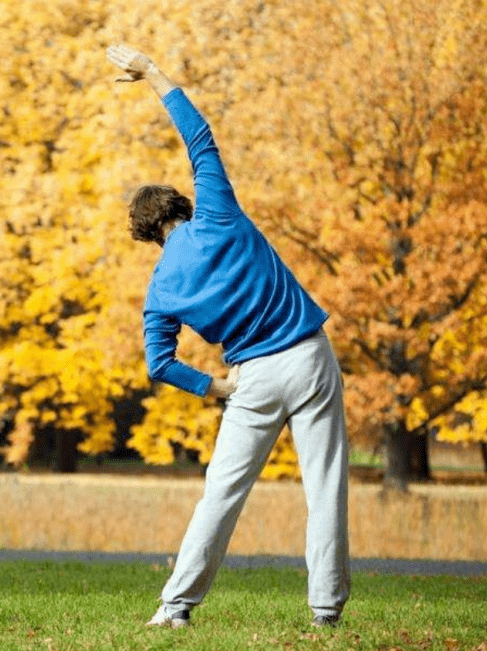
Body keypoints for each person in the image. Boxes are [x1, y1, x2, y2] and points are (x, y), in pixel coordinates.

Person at [104, 45, 351, 629]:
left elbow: (158, 364)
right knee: (325, 488)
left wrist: (213, 388)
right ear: (181, 204)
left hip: (253, 379)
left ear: (145, 235)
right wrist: (152, 74)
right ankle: (325, 614)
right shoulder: (217, 211)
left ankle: (175, 608)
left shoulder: (161, 290)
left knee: (221, 496)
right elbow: (200, 138)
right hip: (312, 358)